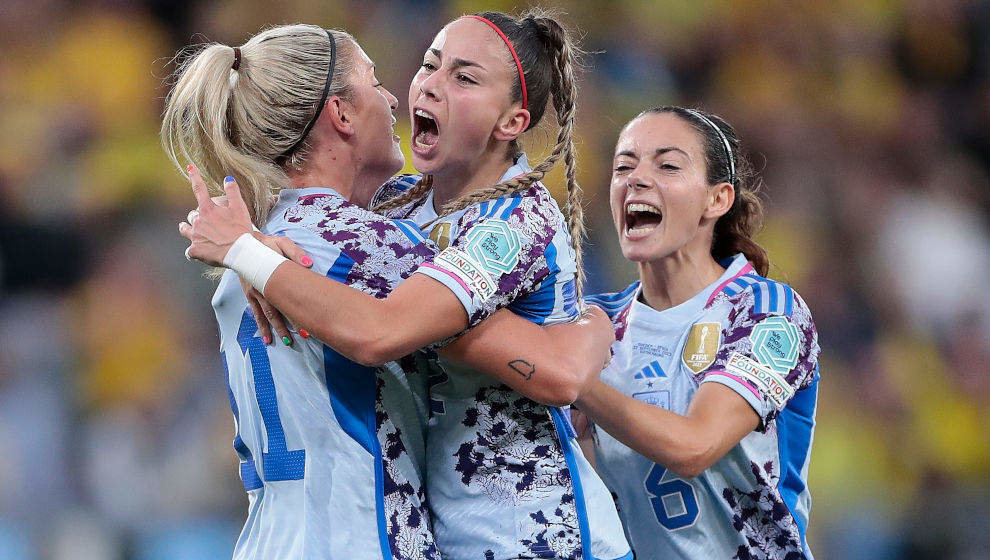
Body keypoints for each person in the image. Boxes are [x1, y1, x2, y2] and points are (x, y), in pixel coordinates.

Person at [180, 11, 631, 560]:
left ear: (512, 121)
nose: (411, 92)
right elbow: (381, 323)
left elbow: (555, 374)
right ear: (340, 114)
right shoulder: (382, 224)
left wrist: (251, 250)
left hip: (533, 535)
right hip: (377, 536)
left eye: (464, 78)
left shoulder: (514, 218)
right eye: (429, 66)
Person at [575, 106, 821, 559]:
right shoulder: (596, 325)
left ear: (718, 199)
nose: (636, 179)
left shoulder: (765, 310)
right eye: (623, 167)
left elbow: (695, 445)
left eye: (667, 165)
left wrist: (574, 384)